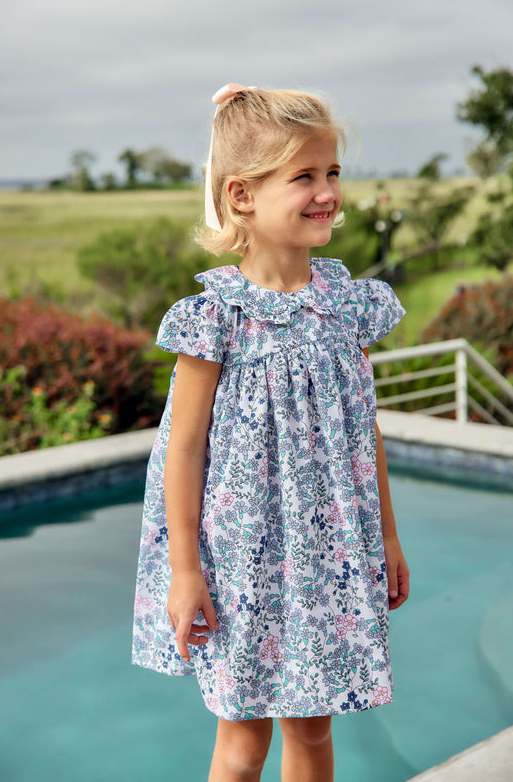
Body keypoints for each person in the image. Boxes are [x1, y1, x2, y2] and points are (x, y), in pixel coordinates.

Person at [132, 83, 410, 782]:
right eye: (304, 176)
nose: (326, 192)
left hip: (326, 559)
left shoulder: (347, 305)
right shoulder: (216, 318)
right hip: (240, 564)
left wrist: (387, 536)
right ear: (241, 195)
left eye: (332, 173)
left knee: (313, 731)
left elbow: (360, 429)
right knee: (243, 740)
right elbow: (183, 449)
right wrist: (186, 569)